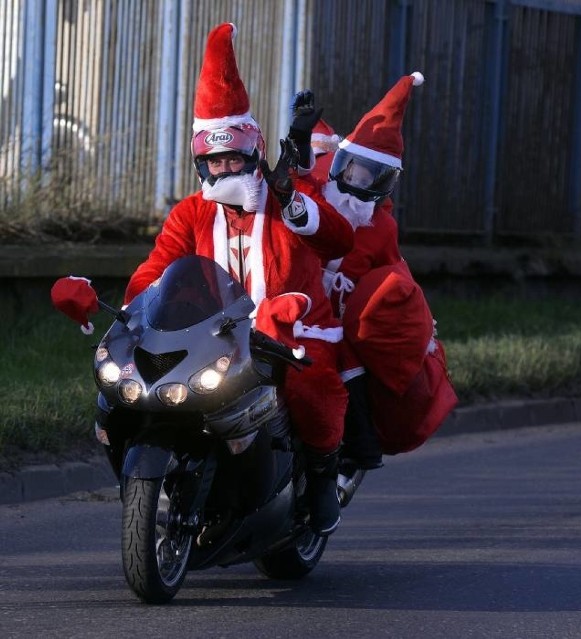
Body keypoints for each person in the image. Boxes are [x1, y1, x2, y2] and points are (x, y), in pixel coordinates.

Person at [124, 23, 355, 536]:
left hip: (293, 329)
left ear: (254, 157)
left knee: (313, 387)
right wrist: (136, 310)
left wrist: (293, 200)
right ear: (200, 165)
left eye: (234, 158)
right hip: (212, 334)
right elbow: (158, 267)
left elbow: (339, 241)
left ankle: (320, 474)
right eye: (214, 160)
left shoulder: (282, 198)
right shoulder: (189, 214)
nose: (225, 168)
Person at [288, 73, 458, 472]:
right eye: (349, 172)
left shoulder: (381, 228)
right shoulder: (318, 194)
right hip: (288, 296)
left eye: (367, 178)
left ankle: (360, 443)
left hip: (336, 315)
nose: (353, 185)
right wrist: (299, 131)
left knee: (344, 354)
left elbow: (390, 274)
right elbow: (296, 177)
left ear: (384, 185)